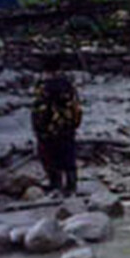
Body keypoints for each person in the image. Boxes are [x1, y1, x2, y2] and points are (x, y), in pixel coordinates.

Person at [32, 63, 82, 194]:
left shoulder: (44, 87)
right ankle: (71, 185)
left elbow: (39, 110)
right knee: (67, 156)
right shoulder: (68, 86)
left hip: (48, 130)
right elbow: (76, 108)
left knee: (49, 156)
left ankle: (55, 184)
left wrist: (40, 129)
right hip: (67, 128)